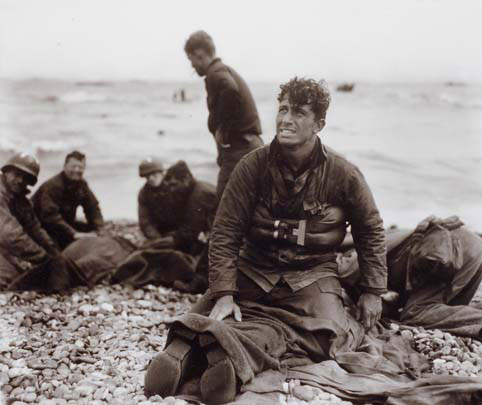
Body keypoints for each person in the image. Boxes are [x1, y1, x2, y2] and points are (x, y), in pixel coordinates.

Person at [145, 78, 387, 403]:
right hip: (254, 268)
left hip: (312, 275)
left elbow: (370, 229)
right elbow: (226, 230)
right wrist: (224, 293)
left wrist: (373, 291)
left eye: (298, 112)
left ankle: (216, 346)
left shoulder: (344, 174)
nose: (286, 119)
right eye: (283, 109)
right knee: (209, 311)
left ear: (319, 124)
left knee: (328, 337)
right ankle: (189, 351)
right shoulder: (252, 166)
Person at [338, 215, 482, 338]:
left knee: (416, 313)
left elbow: (344, 271)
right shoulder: (387, 238)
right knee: (447, 311)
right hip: (476, 249)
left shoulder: (360, 254)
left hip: (447, 253)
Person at [184, 30, 264, 204]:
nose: (192, 67)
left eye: (191, 61)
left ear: (199, 55)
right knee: (246, 206)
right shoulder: (223, 70)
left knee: (224, 207)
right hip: (250, 145)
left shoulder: (215, 73)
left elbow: (230, 90)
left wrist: (223, 130)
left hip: (240, 149)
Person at [116, 158, 216, 292]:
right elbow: (145, 222)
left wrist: (175, 240)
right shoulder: (145, 193)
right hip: (171, 234)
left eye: (154, 174)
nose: (151, 178)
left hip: (185, 234)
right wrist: (157, 239)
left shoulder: (190, 191)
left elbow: (191, 227)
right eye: (147, 176)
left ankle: (199, 282)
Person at [0, 152, 71, 291]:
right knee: (7, 279)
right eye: (17, 174)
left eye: (26, 178)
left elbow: (35, 229)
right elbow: (10, 235)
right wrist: (42, 257)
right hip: (5, 240)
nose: (20, 180)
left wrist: (55, 254)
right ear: (6, 172)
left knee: (20, 274)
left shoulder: (19, 198)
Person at [32, 150, 104, 249]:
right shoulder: (53, 186)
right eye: (73, 166)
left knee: (95, 234)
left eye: (81, 167)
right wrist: (73, 233)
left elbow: (93, 208)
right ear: (65, 166)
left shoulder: (82, 184)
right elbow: (50, 216)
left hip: (63, 224)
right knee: (55, 252)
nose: (77, 170)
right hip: (41, 226)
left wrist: (99, 229)